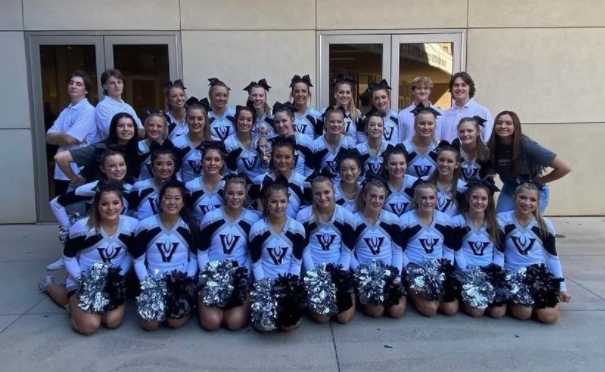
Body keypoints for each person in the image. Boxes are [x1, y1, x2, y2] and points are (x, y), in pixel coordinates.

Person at [39, 182, 137, 335]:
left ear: (122, 204)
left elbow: (130, 254)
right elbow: (68, 257)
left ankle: (76, 305)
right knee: (90, 326)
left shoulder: (132, 225)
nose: (111, 208)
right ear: (97, 206)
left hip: (111, 282)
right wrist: (81, 280)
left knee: (111, 321)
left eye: (115, 203)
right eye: (104, 204)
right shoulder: (82, 227)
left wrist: (119, 276)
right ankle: (50, 286)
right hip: (82, 280)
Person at [498, 183, 571, 323]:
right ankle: (520, 302)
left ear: (538, 203)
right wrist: (500, 282)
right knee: (523, 313)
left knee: (549, 317)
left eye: (532, 200)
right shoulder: (502, 220)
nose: (527, 203)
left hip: (539, 276)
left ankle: (544, 301)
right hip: (513, 275)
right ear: (514, 198)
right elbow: (499, 254)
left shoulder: (545, 224)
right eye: (522, 198)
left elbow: (552, 257)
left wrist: (561, 287)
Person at [132, 181, 199, 331]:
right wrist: (148, 284)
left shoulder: (190, 225)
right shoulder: (145, 225)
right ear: (160, 200)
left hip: (179, 282)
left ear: (182, 203)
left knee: (174, 322)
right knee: (150, 325)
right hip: (153, 282)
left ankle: (187, 303)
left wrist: (184, 282)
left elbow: (194, 258)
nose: (172, 202)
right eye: (167, 198)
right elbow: (138, 260)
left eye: (176, 198)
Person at [197, 175, 260, 331]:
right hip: (213, 276)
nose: (235, 197)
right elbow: (202, 251)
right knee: (212, 323)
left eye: (239, 193)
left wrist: (242, 277)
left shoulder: (253, 219)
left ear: (245, 195)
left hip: (239, 277)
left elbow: (252, 255)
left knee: (234, 323)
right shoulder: (211, 217)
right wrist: (210, 275)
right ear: (224, 194)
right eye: (231, 193)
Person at [297, 176, 356, 324]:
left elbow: (347, 250)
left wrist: (340, 275)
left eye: (326, 192)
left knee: (343, 318)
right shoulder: (304, 216)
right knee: (322, 318)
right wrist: (315, 276)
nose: (322, 197)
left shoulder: (346, 216)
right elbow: (304, 249)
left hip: (339, 270)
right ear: (312, 195)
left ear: (334, 191)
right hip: (314, 271)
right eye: (318, 194)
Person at [249, 181, 306, 332]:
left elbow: (296, 262)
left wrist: (290, 287)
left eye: (282, 201)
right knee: (263, 327)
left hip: (288, 283)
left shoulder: (297, 228)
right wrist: (264, 288)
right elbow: (256, 262)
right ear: (266, 202)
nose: (278, 206)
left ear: (288, 202)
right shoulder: (257, 228)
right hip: (265, 283)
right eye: (273, 201)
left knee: (289, 325)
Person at [487, 111, 571, 213]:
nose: (503, 126)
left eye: (508, 123)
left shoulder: (527, 145)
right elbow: (489, 171)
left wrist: (540, 181)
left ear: (515, 126)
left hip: (532, 191)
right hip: (510, 188)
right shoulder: (493, 146)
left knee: (527, 224)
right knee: (501, 222)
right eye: (499, 123)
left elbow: (564, 167)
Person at [400, 182, 459, 317]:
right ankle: (411, 292)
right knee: (430, 309)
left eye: (432, 198)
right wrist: (411, 271)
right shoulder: (405, 220)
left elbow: (449, 250)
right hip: (416, 271)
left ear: (436, 199)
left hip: (438, 271)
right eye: (423, 198)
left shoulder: (446, 220)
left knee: (451, 309)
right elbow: (400, 251)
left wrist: (445, 270)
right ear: (416, 199)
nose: (428, 201)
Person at [351, 177, 406, 318]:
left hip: (388, 273)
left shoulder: (392, 219)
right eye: (373, 196)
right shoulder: (353, 221)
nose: (377, 201)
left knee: (396, 311)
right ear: (364, 196)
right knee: (376, 311)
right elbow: (349, 253)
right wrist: (362, 275)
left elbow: (397, 251)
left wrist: (396, 278)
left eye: (381, 197)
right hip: (366, 274)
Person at [452, 179, 506, 318]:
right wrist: (468, 274)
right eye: (475, 197)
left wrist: (494, 274)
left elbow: (499, 254)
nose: (479, 202)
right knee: (477, 312)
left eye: (483, 198)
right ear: (468, 199)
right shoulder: (458, 221)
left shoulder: (497, 224)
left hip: (489, 272)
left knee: (498, 313)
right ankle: (463, 298)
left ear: (489, 201)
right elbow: (458, 252)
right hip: (467, 271)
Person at [45, 70, 97, 196]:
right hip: (60, 171)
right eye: (71, 83)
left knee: (77, 213)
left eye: (79, 84)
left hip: (78, 172)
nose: (73, 86)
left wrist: (62, 136)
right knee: (61, 210)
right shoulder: (66, 111)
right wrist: (65, 135)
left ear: (86, 90)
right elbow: (48, 138)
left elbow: (69, 139)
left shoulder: (88, 111)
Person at [55, 113, 140, 186]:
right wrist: (76, 181)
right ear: (114, 129)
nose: (126, 129)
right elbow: (61, 158)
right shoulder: (100, 148)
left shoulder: (135, 148)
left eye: (130, 125)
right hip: (86, 197)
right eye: (121, 126)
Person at [250, 136, 309, 218]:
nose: (282, 161)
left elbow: (307, 212)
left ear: (293, 160)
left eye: (287, 157)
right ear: (272, 158)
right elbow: (246, 205)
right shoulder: (260, 181)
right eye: (278, 157)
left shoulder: (303, 182)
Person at [442, 72, 493, 143]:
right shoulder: (444, 115)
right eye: (456, 85)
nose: (459, 88)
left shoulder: (483, 112)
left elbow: (488, 140)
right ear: (451, 89)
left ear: (470, 88)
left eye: (464, 85)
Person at [224, 105, 269, 183]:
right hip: (239, 186)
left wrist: (265, 163)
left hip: (260, 184)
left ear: (253, 122)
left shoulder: (259, 140)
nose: (245, 123)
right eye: (241, 119)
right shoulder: (229, 142)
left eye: (249, 120)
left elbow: (265, 171)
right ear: (236, 120)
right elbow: (228, 173)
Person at [129, 149, 178, 220]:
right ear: (151, 166)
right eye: (159, 164)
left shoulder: (180, 189)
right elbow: (128, 215)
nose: (164, 168)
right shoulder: (139, 187)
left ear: (174, 166)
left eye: (169, 164)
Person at [95, 69, 143, 140]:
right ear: (105, 86)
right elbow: (111, 132)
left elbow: (141, 131)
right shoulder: (102, 106)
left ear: (123, 84)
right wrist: (132, 130)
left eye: (119, 82)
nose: (117, 86)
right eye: (112, 83)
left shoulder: (128, 107)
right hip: (112, 149)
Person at [171, 100, 213, 183]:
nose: (196, 122)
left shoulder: (214, 142)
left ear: (205, 120)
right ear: (186, 119)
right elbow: (174, 171)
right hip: (184, 190)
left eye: (200, 119)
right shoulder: (177, 142)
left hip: (207, 190)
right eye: (191, 118)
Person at [185, 141, 226, 223]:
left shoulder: (227, 186)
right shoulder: (190, 186)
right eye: (208, 159)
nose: (212, 163)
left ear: (222, 163)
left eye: (217, 160)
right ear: (201, 162)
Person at [271, 101, 314, 176]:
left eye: (284, 121)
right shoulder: (272, 142)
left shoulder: (306, 141)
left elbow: (310, 170)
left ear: (292, 120)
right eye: (277, 122)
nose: (281, 125)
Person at [398, 76, 445, 142]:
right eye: (419, 88)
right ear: (413, 91)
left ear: (430, 91)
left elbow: (442, 139)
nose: (422, 91)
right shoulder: (403, 114)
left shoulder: (440, 114)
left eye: (426, 88)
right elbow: (400, 139)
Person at [312, 107, 356, 175]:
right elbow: (314, 172)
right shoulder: (316, 145)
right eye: (332, 121)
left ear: (344, 124)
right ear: (325, 124)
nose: (335, 125)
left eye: (339, 122)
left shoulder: (349, 143)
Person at [427, 144, 467, 216]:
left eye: (450, 161)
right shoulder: (425, 182)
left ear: (457, 165)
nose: (444, 164)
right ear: (437, 161)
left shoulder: (463, 188)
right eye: (441, 160)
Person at [381, 145, 418, 217]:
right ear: (386, 165)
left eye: (402, 163)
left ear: (406, 164)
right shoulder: (380, 185)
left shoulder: (415, 183)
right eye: (393, 164)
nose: (398, 167)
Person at [402, 108, 440, 178]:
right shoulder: (403, 148)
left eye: (430, 123)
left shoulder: (440, 148)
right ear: (415, 125)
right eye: (422, 123)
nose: (426, 127)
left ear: (435, 126)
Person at [323, 74, 362, 142]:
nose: (344, 95)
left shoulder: (357, 114)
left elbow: (359, 138)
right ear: (335, 94)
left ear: (351, 94)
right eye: (341, 92)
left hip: (351, 151)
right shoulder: (326, 111)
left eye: (348, 92)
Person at [452, 117, 491, 182]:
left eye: (470, 131)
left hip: (479, 190)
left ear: (478, 132)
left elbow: (489, 181)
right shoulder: (453, 151)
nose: (465, 134)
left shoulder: (487, 153)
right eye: (462, 131)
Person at [355, 110, 393, 174]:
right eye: (372, 125)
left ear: (383, 129)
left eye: (379, 125)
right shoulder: (357, 150)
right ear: (366, 128)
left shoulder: (391, 148)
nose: (376, 128)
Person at [138, 112, 170, 181]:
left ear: (164, 129)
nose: (154, 129)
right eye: (151, 125)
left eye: (159, 126)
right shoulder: (137, 147)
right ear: (146, 127)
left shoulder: (169, 147)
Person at [290, 74, 323, 139]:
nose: (300, 94)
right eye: (296, 91)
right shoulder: (287, 115)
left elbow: (318, 141)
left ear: (308, 94)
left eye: (304, 91)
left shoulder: (316, 116)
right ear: (292, 94)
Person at [333, 148, 362, 212]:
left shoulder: (365, 190)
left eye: (352, 169)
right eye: (343, 169)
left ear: (359, 170)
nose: (349, 173)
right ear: (339, 172)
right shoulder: (333, 192)